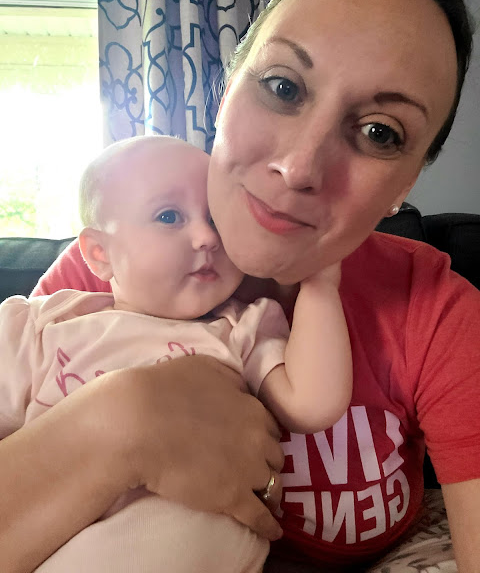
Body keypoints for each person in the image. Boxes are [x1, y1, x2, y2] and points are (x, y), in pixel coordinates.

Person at [2, 0, 479, 573]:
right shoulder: (114, 270)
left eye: (379, 133)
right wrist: (120, 422)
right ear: (225, 91)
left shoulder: (436, 311)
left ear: (407, 183)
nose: (300, 167)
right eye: (282, 86)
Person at [0, 135, 352, 572]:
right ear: (100, 253)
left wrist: (319, 283)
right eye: (168, 216)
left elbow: (314, 406)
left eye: (216, 219)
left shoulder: (240, 329)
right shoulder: (40, 327)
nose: (206, 236)